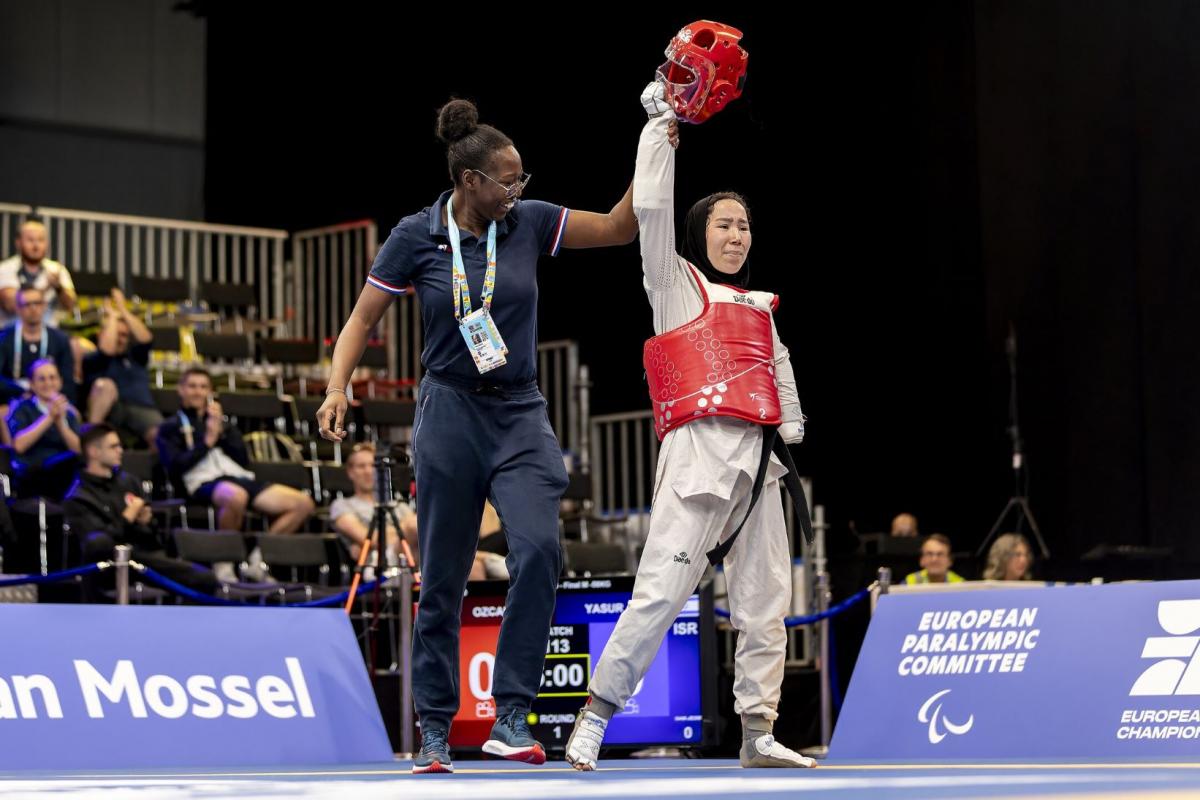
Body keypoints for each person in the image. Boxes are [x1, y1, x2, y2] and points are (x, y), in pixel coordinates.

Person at [316, 97, 642, 774]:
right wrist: (336, 386)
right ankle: (434, 726)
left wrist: (657, 140)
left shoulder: (527, 222)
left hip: (520, 412)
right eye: (508, 180)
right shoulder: (415, 236)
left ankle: (512, 714)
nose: (518, 190)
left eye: (521, 179)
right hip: (449, 413)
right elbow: (361, 320)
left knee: (540, 550)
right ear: (470, 181)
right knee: (441, 577)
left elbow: (617, 227)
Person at [565, 73, 815, 770]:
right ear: (701, 231)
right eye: (725, 224)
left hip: (760, 466)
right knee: (658, 597)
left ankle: (758, 731)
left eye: (745, 225)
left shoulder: (759, 307)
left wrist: (792, 420)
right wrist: (659, 130)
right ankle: (597, 713)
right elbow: (649, 206)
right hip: (700, 459)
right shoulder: (676, 285)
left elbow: (780, 371)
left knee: (767, 602)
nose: (737, 234)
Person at [64, 423, 219, 594]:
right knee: (201, 579)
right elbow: (97, 546)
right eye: (113, 446)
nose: (120, 450)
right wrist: (127, 517)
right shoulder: (79, 497)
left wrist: (148, 521)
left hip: (145, 559)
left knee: (204, 578)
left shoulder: (128, 482)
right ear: (94, 451)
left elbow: (153, 535)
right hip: (109, 569)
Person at [156, 367, 315, 534]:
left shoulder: (222, 423)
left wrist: (222, 433)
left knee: (303, 503)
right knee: (236, 497)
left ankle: (260, 554)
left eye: (203, 387)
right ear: (181, 389)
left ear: (210, 391)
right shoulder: (170, 427)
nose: (198, 392)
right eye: (192, 386)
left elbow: (242, 459)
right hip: (200, 482)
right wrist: (207, 443)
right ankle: (225, 557)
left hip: (238, 478)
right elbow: (175, 466)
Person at [83, 288, 163, 446]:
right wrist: (112, 317)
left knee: (160, 435)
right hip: (110, 409)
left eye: (124, 335)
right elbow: (106, 350)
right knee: (105, 385)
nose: (120, 340)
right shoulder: (94, 359)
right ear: (101, 334)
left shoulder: (136, 357)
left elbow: (146, 338)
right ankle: (90, 439)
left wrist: (123, 310)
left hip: (140, 407)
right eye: (116, 334)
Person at [5, 358, 81, 499]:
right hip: (32, 471)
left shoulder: (69, 412)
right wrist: (49, 418)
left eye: (52, 378)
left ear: (60, 382)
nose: (48, 383)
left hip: (63, 471)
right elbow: (19, 445)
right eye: (42, 379)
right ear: (32, 384)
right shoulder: (21, 408)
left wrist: (60, 424)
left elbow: (78, 449)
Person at [0, 287, 77, 406]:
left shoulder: (60, 339)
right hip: (13, 400)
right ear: (18, 308)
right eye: (27, 304)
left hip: (52, 400)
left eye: (37, 303)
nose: (33, 308)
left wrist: (46, 394)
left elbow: (67, 380)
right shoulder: (4, 338)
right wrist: (22, 390)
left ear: (44, 306)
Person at [0, 219, 76, 327]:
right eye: (30, 240)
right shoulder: (5, 268)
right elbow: (10, 305)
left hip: (49, 335)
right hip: (10, 335)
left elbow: (70, 305)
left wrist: (59, 288)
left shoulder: (56, 269)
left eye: (40, 240)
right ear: (18, 243)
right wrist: (47, 287)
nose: (36, 245)